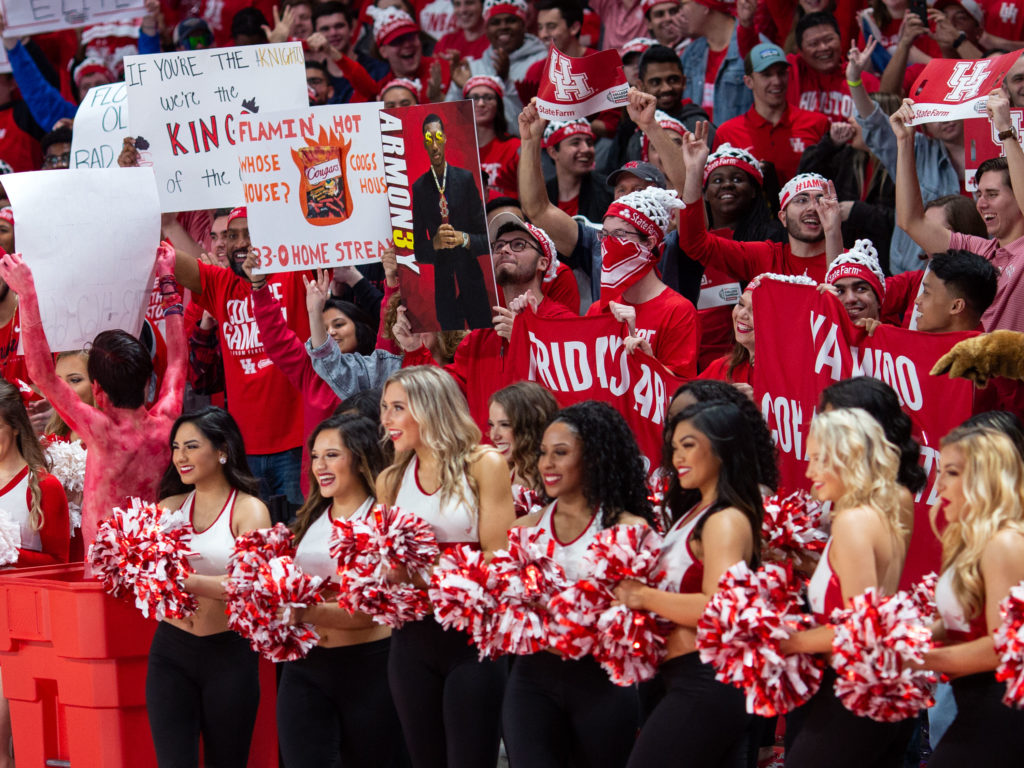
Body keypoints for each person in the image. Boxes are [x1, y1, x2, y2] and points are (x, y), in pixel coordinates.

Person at [0, 245, 185, 556]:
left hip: (104, 565)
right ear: (146, 381)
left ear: (97, 388)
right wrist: (168, 280)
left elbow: (42, 374)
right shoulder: (167, 420)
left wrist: (28, 294)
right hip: (155, 558)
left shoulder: (100, 431)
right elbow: (179, 360)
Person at [376, 366, 515, 768]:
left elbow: (498, 557)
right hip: (411, 642)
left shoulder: (484, 462)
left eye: (398, 408)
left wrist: (423, 569)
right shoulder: (391, 478)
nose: (386, 420)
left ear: (431, 409)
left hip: (471, 640)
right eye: (385, 408)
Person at [503, 401, 654, 767]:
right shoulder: (524, 530)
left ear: (595, 458)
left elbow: (641, 618)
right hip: (531, 682)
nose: (547, 464)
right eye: (543, 453)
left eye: (561, 453)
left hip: (601, 686)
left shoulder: (630, 530)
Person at [614, 400, 763, 766]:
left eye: (689, 445)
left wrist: (642, 596)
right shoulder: (696, 513)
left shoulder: (725, 519)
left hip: (705, 679)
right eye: (675, 446)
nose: (677, 457)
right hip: (686, 678)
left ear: (723, 447)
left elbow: (719, 608)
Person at [781, 408, 915, 766]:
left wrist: (781, 640)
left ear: (850, 455)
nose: (809, 472)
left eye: (818, 460)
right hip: (868, 691)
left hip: (851, 695)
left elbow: (859, 629)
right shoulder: (880, 508)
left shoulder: (855, 521)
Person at [277, 413, 405, 767]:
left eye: (332, 455)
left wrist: (302, 611)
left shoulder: (383, 519)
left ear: (361, 458)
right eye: (316, 456)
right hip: (305, 669)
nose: (320, 466)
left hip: (370, 670)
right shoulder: (309, 517)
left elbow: (369, 610)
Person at [148, 407, 271, 768]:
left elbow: (252, 584)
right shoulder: (168, 508)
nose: (180, 457)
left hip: (228, 655)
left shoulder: (250, 510)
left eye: (190, 446)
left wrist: (185, 580)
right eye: (175, 448)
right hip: (170, 652)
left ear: (222, 450)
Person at [169, 207, 310, 508]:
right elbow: (167, 260)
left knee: (301, 542)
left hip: (298, 445)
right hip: (243, 450)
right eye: (233, 236)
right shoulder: (222, 284)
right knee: (253, 547)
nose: (240, 243)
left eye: (249, 234)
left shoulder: (296, 273)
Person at [396, 212, 575, 432]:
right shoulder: (478, 339)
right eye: (498, 246)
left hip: (538, 459)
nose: (505, 250)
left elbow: (571, 399)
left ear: (543, 262)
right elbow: (439, 398)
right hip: (485, 463)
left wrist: (523, 342)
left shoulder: (564, 324)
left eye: (519, 244)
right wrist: (415, 350)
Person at [921, 425, 1024, 766]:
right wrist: (904, 637)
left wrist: (916, 658)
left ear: (987, 479)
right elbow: (959, 620)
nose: (940, 485)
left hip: (1003, 713)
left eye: (952, 473)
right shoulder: (971, 541)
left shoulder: (1005, 543)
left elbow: (1003, 648)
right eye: (940, 471)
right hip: (974, 706)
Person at [892, 91, 1024, 330]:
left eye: (992, 194)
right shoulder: (978, 251)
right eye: (980, 194)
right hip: (974, 366)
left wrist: (1005, 130)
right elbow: (910, 221)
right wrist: (905, 141)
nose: (981, 204)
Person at [0, 377, 69, 768]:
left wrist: (11, 556)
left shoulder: (42, 485)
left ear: (13, 424)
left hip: (18, 633)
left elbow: (61, 566)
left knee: (9, 751)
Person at [678, 123, 840, 284]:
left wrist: (832, 232)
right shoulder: (765, 257)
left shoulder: (856, 262)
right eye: (801, 200)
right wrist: (694, 171)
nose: (812, 207)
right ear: (782, 217)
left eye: (820, 200)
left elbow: (839, 300)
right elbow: (694, 243)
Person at [411, 112, 493, 331]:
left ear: (445, 138)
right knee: (449, 352)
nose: (435, 145)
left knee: (485, 343)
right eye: (429, 140)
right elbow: (417, 250)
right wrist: (434, 244)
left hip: (473, 283)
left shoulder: (465, 179)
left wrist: (464, 238)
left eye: (438, 137)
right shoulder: (419, 188)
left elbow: (487, 239)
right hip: (444, 289)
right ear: (424, 144)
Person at [714, 42, 830, 185]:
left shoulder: (818, 123)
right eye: (766, 75)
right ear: (748, 81)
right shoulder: (727, 133)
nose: (776, 81)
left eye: (781, 73)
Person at [447, 0, 547, 135]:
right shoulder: (473, 68)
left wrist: (505, 82)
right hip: (482, 152)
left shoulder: (544, 62)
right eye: (495, 23)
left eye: (511, 20)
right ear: (486, 29)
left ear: (524, 25)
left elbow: (534, 127)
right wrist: (462, 89)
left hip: (527, 151)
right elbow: (449, 125)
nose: (503, 27)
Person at [487, 381, 558, 505]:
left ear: (531, 427)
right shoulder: (495, 477)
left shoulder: (558, 479)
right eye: (492, 425)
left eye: (505, 425)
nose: (494, 436)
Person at [543, 119, 612, 224]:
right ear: (553, 152)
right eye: (575, 143)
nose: (586, 149)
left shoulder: (608, 192)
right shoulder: (543, 195)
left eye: (589, 143)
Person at [466, 75, 520, 199]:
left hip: (508, 214)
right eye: (474, 98)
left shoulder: (514, 146)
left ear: (498, 105)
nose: (481, 104)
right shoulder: (455, 150)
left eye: (488, 98)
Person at [823, 239, 887, 323]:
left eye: (861, 289)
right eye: (840, 291)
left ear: (878, 300)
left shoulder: (896, 336)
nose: (850, 299)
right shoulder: (818, 336)